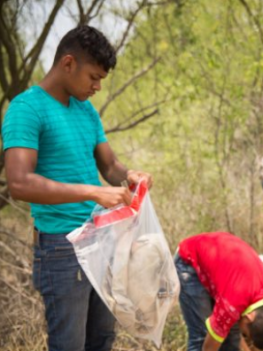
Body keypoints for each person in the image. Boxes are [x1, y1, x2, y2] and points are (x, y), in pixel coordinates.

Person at [2, 25, 152, 351]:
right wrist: (93, 192)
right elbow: (19, 183)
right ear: (68, 63)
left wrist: (131, 176)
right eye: (93, 77)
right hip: (62, 248)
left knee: (102, 340)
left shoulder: (85, 109)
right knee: (69, 344)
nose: (97, 86)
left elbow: (110, 167)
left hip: (101, 238)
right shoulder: (27, 109)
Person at [175, 232, 263, 351]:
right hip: (190, 260)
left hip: (224, 264)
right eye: (245, 334)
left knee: (232, 337)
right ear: (249, 317)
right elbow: (208, 349)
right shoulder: (231, 305)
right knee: (201, 336)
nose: (244, 338)